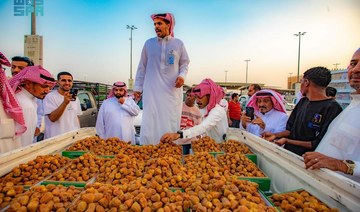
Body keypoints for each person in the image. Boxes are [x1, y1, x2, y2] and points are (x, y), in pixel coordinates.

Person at [303, 48, 360, 182]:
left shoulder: (332, 107)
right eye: (353, 63)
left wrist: (340, 164)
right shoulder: (352, 106)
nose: (356, 69)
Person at [134, 13, 190, 145]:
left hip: (171, 93)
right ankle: (148, 152)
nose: (156, 27)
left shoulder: (178, 44)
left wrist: (182, 76)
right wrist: (138, 87)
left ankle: (169, 157)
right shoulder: (148, 44)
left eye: (159, 23)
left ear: (168, 25)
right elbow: (142, 66)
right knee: (150, 122)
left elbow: (185, 63)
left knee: (169, 121)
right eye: (154, 24)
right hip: (151, 91)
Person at [263, 67, 343, 156]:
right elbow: (290, 130)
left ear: (306, 82)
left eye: (301, 81)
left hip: (308, 162)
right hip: (288, 154)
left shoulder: (333, 108)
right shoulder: (302, 102)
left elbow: (317, 143)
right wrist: (275, 135)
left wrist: (287, 140)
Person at [161, 78, 228, 144]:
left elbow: (203, 127)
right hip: (209, 147)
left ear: (209, 97)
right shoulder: (203, 109)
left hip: (221, 147)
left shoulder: (218, 111)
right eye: (196, 97)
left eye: (200, 97)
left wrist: (178, 135)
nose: (197, 101)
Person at [9, 66, 55, 148]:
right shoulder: (26, 105)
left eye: (49, 87)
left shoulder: (25, 99)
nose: (47, 91)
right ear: (28, 84)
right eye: (44, 86)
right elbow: (24, 142)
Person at [43, 71, 82, 139]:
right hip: (56, 138)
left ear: (72, 83)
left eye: (69, 81)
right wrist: (64, 103)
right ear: (58, 82)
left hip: (72, 137)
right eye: (63, 80)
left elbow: (76, 117)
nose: (67, 83)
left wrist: (78, 133)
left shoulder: (75, 98)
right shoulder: (50, 97)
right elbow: (52, 118)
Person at [178, 88, 202, 154]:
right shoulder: (178, 107)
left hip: (192, 141)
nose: (188, 97)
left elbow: (199, 126)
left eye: (191, 96)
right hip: (180, 141)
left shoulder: (197, 111)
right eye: (187, 95)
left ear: (195, 97)